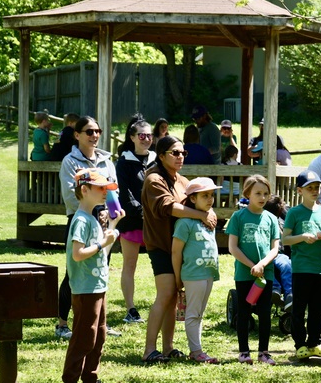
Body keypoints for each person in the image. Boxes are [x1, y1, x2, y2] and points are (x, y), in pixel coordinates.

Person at [141, 135, 217, 364]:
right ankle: (149, 350)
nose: (180, 156)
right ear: (161, 155)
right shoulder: (154, 180)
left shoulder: (182, 181)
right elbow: (169, 207)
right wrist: (202, 215)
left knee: (173, 297)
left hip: (182, 248)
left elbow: (193, 202)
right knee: (165, 295)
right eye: (175, 152)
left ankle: (168, 347)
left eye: (183, 153)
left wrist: (208, 210)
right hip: (161, 246)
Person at [59, 168, 123, 383]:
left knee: (99, 335)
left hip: (98, 286)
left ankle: (90, 381)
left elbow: (101, 252)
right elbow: (77, 254)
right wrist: (101, 244)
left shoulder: (94, 218)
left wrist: (113, 225)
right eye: (100, 188)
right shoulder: (81, 221)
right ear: (84, 190)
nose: (105, 191)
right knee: (84, 337)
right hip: (85, 288)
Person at [57, 116, 121, 339]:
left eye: (98, 131)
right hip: (81, 221)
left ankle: (100, 322)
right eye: (89, 131)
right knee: (73, 272)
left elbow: (114, 191)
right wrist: (94, 211)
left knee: (101, 269)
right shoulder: (70, 161)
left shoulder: (106, 160)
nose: (94, 136)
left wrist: (113, 212)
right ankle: (62, 323)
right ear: (77, 135)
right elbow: (71, 195)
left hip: (103, 222)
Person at [227, 174, 280, 365]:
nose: (262, 197)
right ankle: (243, 352)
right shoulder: (238, 217)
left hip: (266, 274)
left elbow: (275, 248)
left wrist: (262, 265)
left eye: (266, 193)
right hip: (244, 274)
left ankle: (264, 352)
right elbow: (233, 247)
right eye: (258, 193)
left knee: (265, 313)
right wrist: (252, 266)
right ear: (247, 193)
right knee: (244, 311)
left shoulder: (272, 219)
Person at [282, 171, 321, 360]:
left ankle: (314, 343)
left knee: (319, 310)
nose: (314, 191)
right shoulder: (294, 213)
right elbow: (285, 239)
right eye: (309, 188)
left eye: (317, 187)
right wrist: (303, 237)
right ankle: (300, 344)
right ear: (299, 191)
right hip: (302, 269)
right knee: (299, 309)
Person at [172, 177, 221, 364]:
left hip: (207, 273)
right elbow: (176, 251)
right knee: (193, 314)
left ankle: (196, 350)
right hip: (193, 274)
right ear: (192, 199)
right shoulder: (185, 223)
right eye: (204, 196)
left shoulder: (209, 219)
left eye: (211, 195)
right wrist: (178, 277)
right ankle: (196, 351)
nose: (210, 199)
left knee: (199, 313)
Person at [114, 115, 156, 324]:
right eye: (142, 135)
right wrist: (140, 211)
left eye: (149, 135)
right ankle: (130, 309)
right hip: (131, 220)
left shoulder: (157, 159)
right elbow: (123, 194)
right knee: (129, 264)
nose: (146, 139)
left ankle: (164, 303)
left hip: (154, 221)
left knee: (160, 263)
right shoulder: (123, 162)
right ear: (132, 137)